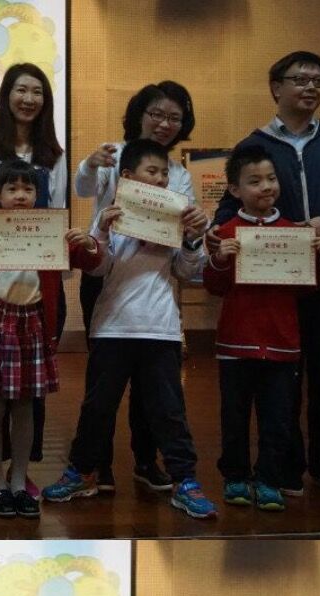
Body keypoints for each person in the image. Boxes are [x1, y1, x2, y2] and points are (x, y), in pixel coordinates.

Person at [210, 50, 320, 499]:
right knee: (282, 383)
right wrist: (216, 235)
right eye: (300, 79)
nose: (310, 87)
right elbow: (229, 207)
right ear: (276, 87)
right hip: (275, 288)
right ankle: (284, 469)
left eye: (318, 80)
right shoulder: (255, 145)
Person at [42, 139, 217, 520]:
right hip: (112, 328)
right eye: (151, 171)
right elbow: (97, 269)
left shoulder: (176, 220)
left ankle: (185, 480)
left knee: (169, 410)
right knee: (97, 408)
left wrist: (192, 239)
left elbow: (187, 271)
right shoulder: (110, 218)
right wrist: (102, 232)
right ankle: (82, 472)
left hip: (160, 329)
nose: (160, 180)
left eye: (164, 174)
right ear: (127, 176)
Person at [0, 159, 102, 518]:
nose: (21, 195)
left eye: (28, 188)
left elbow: (92, 262)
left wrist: (88, 242)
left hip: (33, 326)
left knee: (27, 406)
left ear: (37, 194)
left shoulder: (51, 231)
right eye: (12, 188)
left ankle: (19, 480)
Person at [73, 80, 198, 495]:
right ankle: (97, 466)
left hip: (154, 279)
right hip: (107, 269)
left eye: (174, 117)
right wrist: (89, 164)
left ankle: (146, 460)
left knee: (153, 387)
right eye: (157, 114)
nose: (165, 123)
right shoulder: (113, 154)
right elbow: (83, 188)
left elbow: (182, 232)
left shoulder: (179, 174)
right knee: (104, 383)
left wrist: (192, 233)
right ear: (139, 115)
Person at [0, 63, 68, 502]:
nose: (28, 99)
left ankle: (21, 470)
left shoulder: (54, 156)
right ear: (6, 96)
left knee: (31, 387)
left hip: (38, 287)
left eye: (37, 92)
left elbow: (57, 215)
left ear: (45, 101)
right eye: (21, 90)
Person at [204, 147, 320, 512]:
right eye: (255, 181)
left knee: (278, 419)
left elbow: (308, 286)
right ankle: (235, 477)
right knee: (234, 417)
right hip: (236, 344)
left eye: (271, 178)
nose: (266, 186)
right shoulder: (225, 232)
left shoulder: (295, 233)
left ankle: (269, 480)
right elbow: (214, 286)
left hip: (282, 343)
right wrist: (219, 258)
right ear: (235, 190)